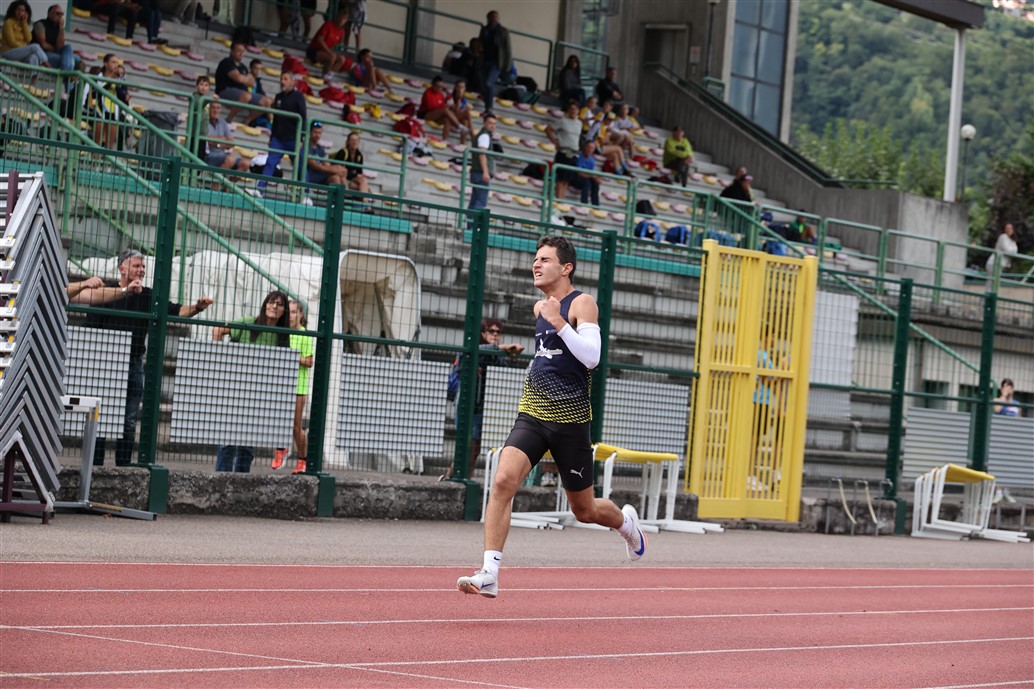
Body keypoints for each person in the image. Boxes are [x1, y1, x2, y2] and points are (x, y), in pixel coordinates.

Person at [456, 236, 646, 599]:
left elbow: (591, 357)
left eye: (545, 259)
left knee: (584, 510)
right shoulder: (538, 308)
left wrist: (559, 321)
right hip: (533, 413)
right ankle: (490, 572)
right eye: (535, 258)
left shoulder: (582, 303)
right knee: (503, 480)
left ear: (566, 268)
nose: (536, 264)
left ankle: (626, 524)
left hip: (571, 421)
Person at [70, 249, 213, 466]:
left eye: (143, 266)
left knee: (128, 422)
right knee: (100, 420)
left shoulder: (148, 296)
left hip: (133, 363)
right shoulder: (107, 294)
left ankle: (123, 469)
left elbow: (176, 311)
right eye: (136, 266)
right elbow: (90, 328)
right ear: (122, 268)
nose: (141, 270)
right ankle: (95, 467)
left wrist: (197, 307)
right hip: (106, 363)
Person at [211, 290, 290, 473]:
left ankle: (241, 482)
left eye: (279, 304)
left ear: (284, 311)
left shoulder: (283, 335)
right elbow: (218, 331)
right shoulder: (249, 322)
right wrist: (218, 363)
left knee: (247, 446)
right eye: (271, 302)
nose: (274, 306)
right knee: (227, 441)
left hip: (259, 395)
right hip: (235, 390)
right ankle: (221, 481)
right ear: (265, 305)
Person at [441, 318, 524, 481]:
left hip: (485, 406)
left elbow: (505, 375)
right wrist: (503, 347)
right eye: (491, 331)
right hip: (468, 404)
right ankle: (452, 476)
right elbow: (478, 352)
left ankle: (465, 477)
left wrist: (510, 358)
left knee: (475, 447)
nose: (495, 335)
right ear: (482, 333)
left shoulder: (497, 355)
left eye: (498, 332)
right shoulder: (474, 348)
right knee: (468, 444)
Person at [273, 300, 315, 473]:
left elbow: (309, 361)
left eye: (293, 312)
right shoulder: (282, 332)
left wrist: (292, 358)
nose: (290, 316)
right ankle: (281, 450)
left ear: (300, 315)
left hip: (299, 387)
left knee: (296, 426)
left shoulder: (304, 335)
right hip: (282, 385)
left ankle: (303, 460)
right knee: (277, 421)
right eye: (288, 312)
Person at [254, 71, 307, 198]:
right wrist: (272, 137)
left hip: (294, 138)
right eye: (281, 79)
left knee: (300, 165)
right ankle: (260, 189)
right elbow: (276, 119)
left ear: (292, 82)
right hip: (278, 138)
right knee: (270, 163)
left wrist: (301, 138)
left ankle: (306, 195)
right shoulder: (278, 97)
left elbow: (303, 118)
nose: (282, 81)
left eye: (285, 79)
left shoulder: (299, 97)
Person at [215, 42, 274, 125]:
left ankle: (247, 120)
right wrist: (246, 78)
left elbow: (252, 82)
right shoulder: (226, 62)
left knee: (267, 101)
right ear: (232, 51)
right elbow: (238, 79)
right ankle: (229, 119)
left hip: (242, 95)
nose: (241, 53)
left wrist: (244, 79)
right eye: (238, 51)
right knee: (246, 96)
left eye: (243, 51)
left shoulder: (243, 67)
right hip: (224, 92)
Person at [545, 101, 583, 201]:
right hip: (564, 152)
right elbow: (548, 129)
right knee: (561, 177)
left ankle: (562, 198)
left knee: (568, 179)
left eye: (575, 109)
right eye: (571, 109)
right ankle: (558, 198)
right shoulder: (562, 121)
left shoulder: (579, 123)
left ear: (578, 111)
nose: (573, 111)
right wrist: (555, 141)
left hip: (574, 153)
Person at [201, 101, 250, 172]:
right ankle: (216, 179)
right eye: (213, 108)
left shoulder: (222, 122)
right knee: (230, 159)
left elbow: (231, 142)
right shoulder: (204, 121)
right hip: (209, 155)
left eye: (218, 108)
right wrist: (223, 140)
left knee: (245, 163)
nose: (216, 110)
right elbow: (208, 140)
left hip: (222, 155)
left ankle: (230, 180)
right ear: (209, 109)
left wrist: (216, 143)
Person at [477, 10, 511, 110]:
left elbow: (508, 48)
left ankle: (489, 107)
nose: (494, 19)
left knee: (489, 83)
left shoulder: (503, 31)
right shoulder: (484, 30)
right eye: (492, 17)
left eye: (496, 17)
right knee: (483, 84)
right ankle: (487, 98)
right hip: (484, 60)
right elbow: (480, 42)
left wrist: (507, 65)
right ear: (488, 19)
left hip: (496, 62)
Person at [466, 112, 497, 220]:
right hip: (480, 173)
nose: (492, 126)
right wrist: (485, 172)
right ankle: (473, 227)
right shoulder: (485, 136)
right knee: (480, 201)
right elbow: (482, 154)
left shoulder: (482, 135)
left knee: (475, 200)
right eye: (490, 123)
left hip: (477, 171)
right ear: (484, 123)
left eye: (494, 123)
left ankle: (470, 225)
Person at [2, 2, 51, 67]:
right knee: (35, 47)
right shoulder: (8, 23)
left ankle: (33, 74)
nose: (20, 12)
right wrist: (25, 46)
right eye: (18, 10)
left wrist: (24, 22)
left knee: (34, 57)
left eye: (23, 10)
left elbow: (28, 39)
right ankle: (48, 66)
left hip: (19, 53)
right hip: (8, 52)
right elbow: (12, 42)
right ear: (13, 10)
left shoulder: (23, 23)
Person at [305, 121, 347, 194]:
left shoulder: (320, 148)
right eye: (315, 132)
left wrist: (338, 169)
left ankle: (343, 197)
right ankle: (344, 196)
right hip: (310, 177)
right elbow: (314, 165)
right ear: (310, 132)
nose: (317, 135)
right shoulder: (305, 146)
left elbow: (327, 164)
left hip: (322, 177)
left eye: (319, 133)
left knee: (337, 175)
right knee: (337, 172)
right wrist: (335, 170)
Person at [418, 76, 463, 142]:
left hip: (436, 114)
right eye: (437, 86)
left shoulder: (440, 94)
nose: (439, 88)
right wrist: (443, 108)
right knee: (445, 110)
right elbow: (430, 107)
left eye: (441, 87)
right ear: (433, 85)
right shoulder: (428, 93)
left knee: (447, 119)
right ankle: (459, 126)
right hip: (425, 114)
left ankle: (445, 139)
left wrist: (446, 106)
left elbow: (441, 105)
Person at [306, 10, 348, 79]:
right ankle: (323, 77)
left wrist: (331, 52)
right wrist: (329, 52)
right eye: (341, 17)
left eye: (344, 19)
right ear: (337, 17)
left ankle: (328, 76)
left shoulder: (342, 31)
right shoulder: (328, 25)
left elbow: (336, 45)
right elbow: (320, 40)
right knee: (331, 58)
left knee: (342, 59)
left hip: (325, 52)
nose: (342, 20)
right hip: (314, 50)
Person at [32, 4, 75, 71]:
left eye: (61, 14)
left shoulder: (58, 27)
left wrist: (61, 29)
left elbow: (60, 47)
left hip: (54, 53)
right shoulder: (40, 24)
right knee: (70, 60)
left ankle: (65, 71)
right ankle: (65, 74)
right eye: (57, 13)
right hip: (42, 54)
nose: (60, 16)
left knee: (68, 47)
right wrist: (55, 50)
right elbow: (43, 45)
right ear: (49, 14)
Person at [571, 139, 600, 207]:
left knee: (595, 184)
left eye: (592, 148)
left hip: (586, 178)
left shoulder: (592, 160)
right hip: (574, 177)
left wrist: (596, 178)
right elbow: (578, 172)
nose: (590, 150)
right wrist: (592, 176)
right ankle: (584, 204)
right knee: (586, 183)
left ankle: (596, 206)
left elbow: (591, 173)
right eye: (588, 147)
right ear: (585, 147)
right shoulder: (579, 156)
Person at [449, 80, 474, 145]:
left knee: (466, 121)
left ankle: (462, 144)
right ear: (455, 87)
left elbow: (462, 111)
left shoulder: (464, 99)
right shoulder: (450, 97)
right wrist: (458, 99)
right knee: (467, 112)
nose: (460, 89)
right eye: (459, 87)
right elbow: (456, 112)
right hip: (452, 120)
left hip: (460, 120)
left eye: (462, 87)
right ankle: (472, 133)